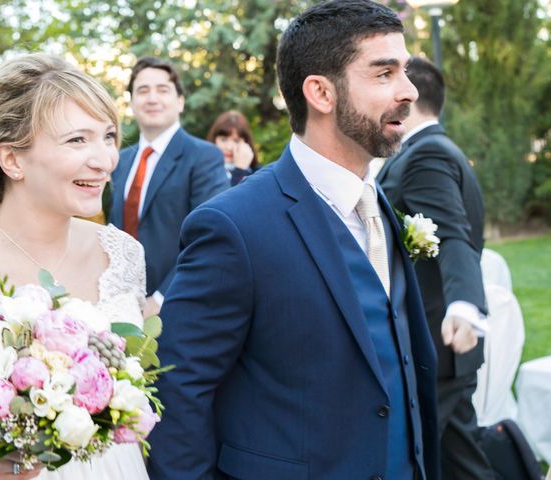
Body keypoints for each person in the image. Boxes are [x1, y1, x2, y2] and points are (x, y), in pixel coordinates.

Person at [148, 2, 442, 479]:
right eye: (384, 73)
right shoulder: (233, 227)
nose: (408, 91)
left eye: (404, 70)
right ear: (321, 92)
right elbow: (176, 392)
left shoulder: (379, 206)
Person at [0, 53, 149, 480]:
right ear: (12, 159)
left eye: (108, 136)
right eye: (77, 140)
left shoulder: (124, 255)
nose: (104, 159)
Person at [377, 56, 495, 480]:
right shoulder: (431, 149)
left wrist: (464, 303)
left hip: (435, 341)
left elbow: (451, 235)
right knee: (460, 461)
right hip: (443, 347)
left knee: (412, 459)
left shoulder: (426, 155)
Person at [109, 58, 229, 317]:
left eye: (163, 90)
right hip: (120, 306)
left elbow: (209, 236)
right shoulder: (119, 161)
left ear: (180, 101)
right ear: (132, 102)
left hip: (177, 306)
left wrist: (161, 299)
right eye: (143, 90)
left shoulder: (204, 157)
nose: (152, 98)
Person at [206, 110, 259, 186]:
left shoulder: (258, 173)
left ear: (246, 143)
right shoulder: (204, 173)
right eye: (223, 140)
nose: (229, 147)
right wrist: (240, 171)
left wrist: (241, 170)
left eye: (236, 141)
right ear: (214, 140)